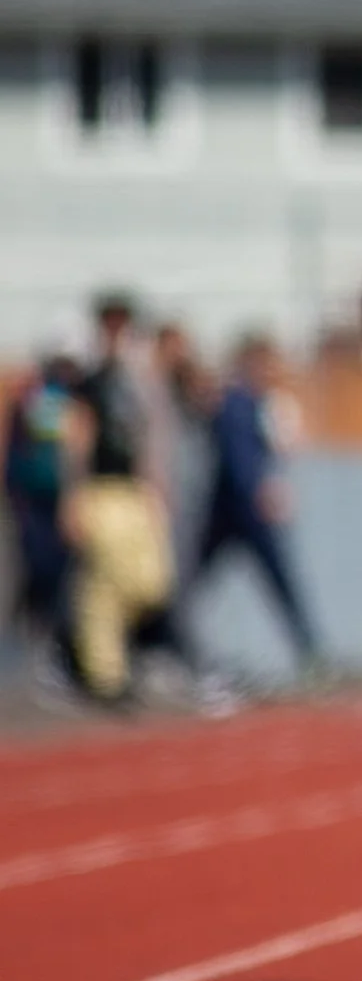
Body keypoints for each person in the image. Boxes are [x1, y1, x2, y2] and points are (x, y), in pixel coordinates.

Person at [191, 332, 328, 683]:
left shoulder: (261, 403)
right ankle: (170, 645)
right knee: (194, 581)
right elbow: (239, 462)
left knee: (278, 583)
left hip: (245, 511)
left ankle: (311, 652)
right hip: (238, 512)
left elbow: (276, 451)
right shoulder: (235, 403)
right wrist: (260, 490)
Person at [63, 292, 179, 705]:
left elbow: (150, 437)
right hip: (100, 489)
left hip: (134, 490)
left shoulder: (138, 382)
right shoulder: (90, 382)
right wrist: (72, 495)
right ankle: (106, 676)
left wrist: (157, 484)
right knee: (104, 585)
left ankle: (110, 663)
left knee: (149, 583)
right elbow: (78, 439)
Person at [6, 350, 87, 681]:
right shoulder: (43, 398)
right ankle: (41, 651)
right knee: (44, 574)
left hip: (47, 503)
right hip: (39, 503)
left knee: (54, 577)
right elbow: (60, 449)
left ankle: (51, 651)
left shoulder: (55, 398)